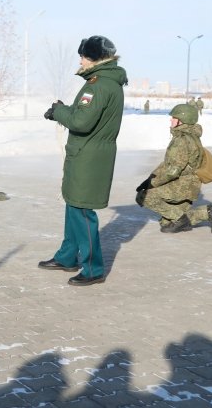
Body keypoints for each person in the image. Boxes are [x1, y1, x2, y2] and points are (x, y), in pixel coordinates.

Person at [40, 35, 128, 286]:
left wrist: (58, 112)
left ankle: (93, 269)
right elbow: (84, 115)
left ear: (94, 58)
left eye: (83, 56)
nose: (80, 61)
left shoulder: (97, 86)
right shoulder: (107, 83)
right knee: (73, 204)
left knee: (82, 211)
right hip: (88, 154)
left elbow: (81, 122)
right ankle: (67, 256)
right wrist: (63, 110)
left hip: (88, 157)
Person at [135, 103, 212, 234]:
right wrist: (149, 179)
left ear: (182, 120)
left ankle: (180, 219)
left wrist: (153, 183)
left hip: (182, 186)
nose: (171, 120)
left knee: (144, 196)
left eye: (174, 118)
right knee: (167, 224)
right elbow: (169, 164)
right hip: (190, 185)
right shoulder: (191, 136)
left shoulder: (181, 140)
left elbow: (172, 171)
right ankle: (209, 212)